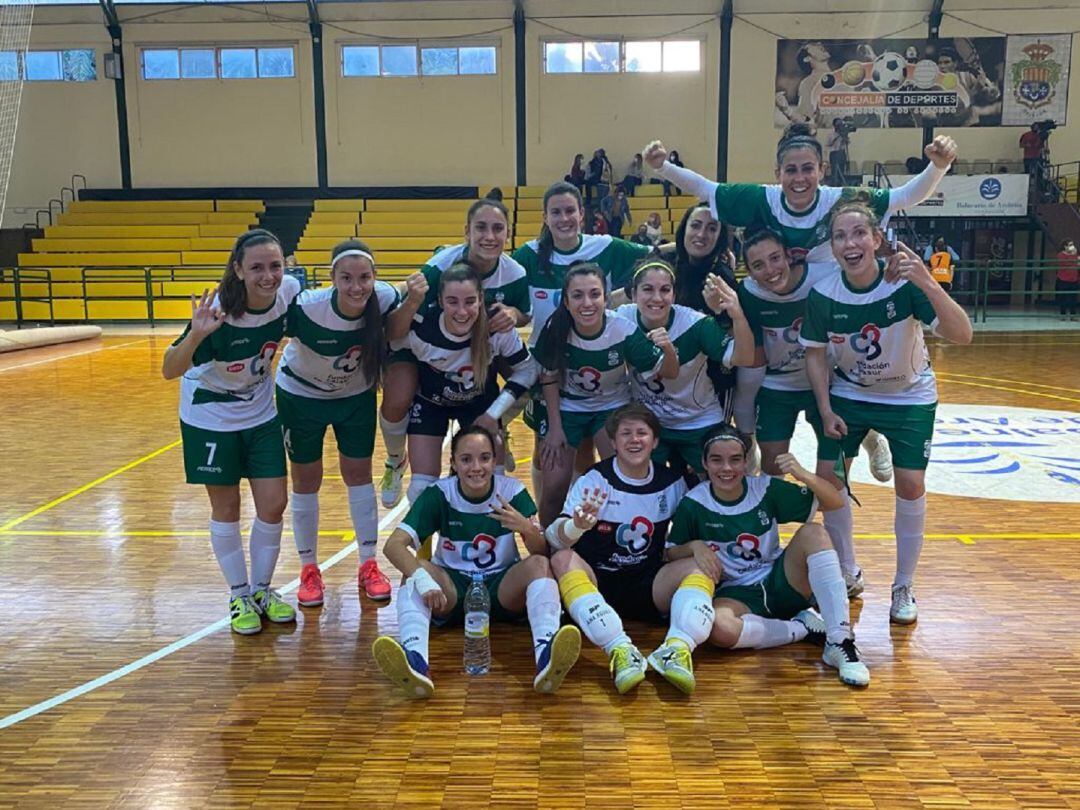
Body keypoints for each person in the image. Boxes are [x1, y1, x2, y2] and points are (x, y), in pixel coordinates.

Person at [646, 125, 959, 478]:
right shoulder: (760, 202)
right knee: (754, 368)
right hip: (775, 318)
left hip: (818, 290)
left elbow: (903, 196)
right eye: (791, 170)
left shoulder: (838, 201)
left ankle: (870, 436)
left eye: (807, 168)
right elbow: (706, 189)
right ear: (777, 173)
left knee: (847, 368)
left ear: (821, 170)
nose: (799, 178)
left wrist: (938, 167)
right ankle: (748, 444)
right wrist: (662, 167)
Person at [801, 203, 973, 625]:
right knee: (829, 478)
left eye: (859, 233)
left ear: (877, 240)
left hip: (909, 395)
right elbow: (816, 355)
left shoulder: (904, 283)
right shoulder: (824, 294)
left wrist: (929, 283)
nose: (849, 243)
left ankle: (903, 584)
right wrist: (824, 408)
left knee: (911, 484)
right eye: (840, 236)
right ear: (833, 247)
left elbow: (963, 335)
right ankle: (848, 569)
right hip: (850, 393)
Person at [371, 425, 581, 698]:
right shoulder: (440, 494)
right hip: (452, 590)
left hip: (500, 588)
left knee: (540, 566)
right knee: (415, 570)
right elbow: (393, 546)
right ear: (454, 463)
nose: (476, 467)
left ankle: (547, 656)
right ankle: (416, 662)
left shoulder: (512, 491)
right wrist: (424, 581)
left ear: (495, 461)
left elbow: (541, 553)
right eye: (466, 459)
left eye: (484, 458)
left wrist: (526, 529)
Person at [161, 229, 299, 635]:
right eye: (256, 267)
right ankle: (239, 594)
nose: (268, 276)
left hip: (260, 413)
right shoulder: (220, 314)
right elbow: (170, 369)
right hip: (210, 418)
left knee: (273, 504)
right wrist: (198, 334)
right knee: (227, 509)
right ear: (238, 270)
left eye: (275, 265)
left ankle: (262, 590)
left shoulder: (288, 292)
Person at [663, 427, 870, 687]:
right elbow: (670, 553)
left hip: (780, 579)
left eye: (735, 459)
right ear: (704, 463)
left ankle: (840, 641)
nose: (726, 468)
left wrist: (802, 473)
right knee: (719, 629)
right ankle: (802, 628)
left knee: (814, 532)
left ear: (747, 461)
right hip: (735, 592)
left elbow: (834, 503)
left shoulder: (764, 488)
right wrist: (693, 546)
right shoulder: (694, 503)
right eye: (717, 459)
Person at [275, 239, 415, 605]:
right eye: (347, 278)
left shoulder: (384, 299)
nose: (357, 287)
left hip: (354, 396)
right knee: (307, 478)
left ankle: (368, 563)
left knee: (358, 474)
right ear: (332, 278)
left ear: (375, 277)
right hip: (301, 395)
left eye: (364, 277)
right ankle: (308, 568)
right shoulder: (307, 308)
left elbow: (400, 328)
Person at [545, 404, 718, 694]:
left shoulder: (674, 483)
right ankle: (620, 650)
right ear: (612, 442)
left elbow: (690, 536)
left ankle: (676, 648)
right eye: (625, 433)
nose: (634, 440)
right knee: (562, 558)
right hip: (598, 582)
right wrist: (576, 526)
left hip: (649, 584)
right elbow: (554, 538)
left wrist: (695, 546)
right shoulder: (595, 480)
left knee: (702, 564)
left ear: (655, 441)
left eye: (642, 433)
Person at [378, 197, 531, 508]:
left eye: (498, 228)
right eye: (481, 228)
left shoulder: (514, 273)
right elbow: (394, 332)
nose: (489, 236)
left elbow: (525, 318)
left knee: (531, 380)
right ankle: (395, 460)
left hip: (479, 355)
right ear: (466, 232)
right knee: (397, 394)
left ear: (508, 233)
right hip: (430, 355)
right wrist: (410, 303)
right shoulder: (437, 270)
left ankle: (497, 424)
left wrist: (513, 315)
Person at [512, 181, 653, 501]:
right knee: (545, 450)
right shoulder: (529, 255)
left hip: (598, 361)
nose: (564, 218)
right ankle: (546, 517)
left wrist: (620, 299)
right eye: (556, 212)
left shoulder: (605, 247)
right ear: (545, 217)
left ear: (582, 214)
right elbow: (502, 284)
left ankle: (583, 518)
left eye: (570, 211)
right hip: (548, 364)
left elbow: (654, 259)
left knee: (586, 451)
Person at [532, 263, 678, 524]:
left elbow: (667, 372)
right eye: (577, 295)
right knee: (554, 489)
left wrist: (668, 350)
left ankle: (618, 542)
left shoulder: (622, 329)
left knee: (622, 478)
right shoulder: (556, 328)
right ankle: (550, 549)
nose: (587, 303)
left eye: (594, 294)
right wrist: (555, 428)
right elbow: (549, 377)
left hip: (611, 407)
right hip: (567, 407)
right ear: (565, 301)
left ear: (606, 298)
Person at [401, 264, 538, 507]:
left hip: (479, 404)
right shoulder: (422, 328)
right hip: (432, 402)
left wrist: (494, 415)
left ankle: (492, 543)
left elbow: (528, 370)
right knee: (421, 488)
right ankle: (425, 544)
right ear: (440, 301)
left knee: (492, 483)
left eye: (470, 301)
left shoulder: (496, 326)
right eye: (453, 302)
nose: (462, 311)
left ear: (481, 299)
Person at [616, 259, 754, 478]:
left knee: (721, 482)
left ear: (674, 294)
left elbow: (745, 357)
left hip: (698, 419)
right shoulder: (623, 317)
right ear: (634, 294)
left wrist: (736, 313)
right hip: (650, 423)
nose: (657, 298)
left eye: (665, 290)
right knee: (638, 482)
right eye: (647, 289)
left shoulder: (695, 324)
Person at [1056, 239, 1079, 321]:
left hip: (1074, 280)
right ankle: (1063, 315)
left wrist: (1075, 256)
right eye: (1070, 245)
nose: (1072, 246)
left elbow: (1078, 263)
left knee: (1073, 298)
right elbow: (1065, 264)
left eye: (1072, 244)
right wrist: (1073, 257)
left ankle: (1073, 315)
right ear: (1065, 246)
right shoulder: (1060, 255)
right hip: (1063, 280)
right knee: (1063, 298)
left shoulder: (1076, 254)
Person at [826, 118, 850, 186]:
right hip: (834, 153)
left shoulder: (843, 132)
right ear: (834, 125)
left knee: (841, 171)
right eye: (838, 124)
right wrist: (836, 138)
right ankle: (834, 185)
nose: (839, 125)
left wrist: (844, 136)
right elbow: (828, 144)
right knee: (834, 172)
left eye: (840, 123)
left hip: (842, 153)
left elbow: (847, 143)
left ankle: (840, 185)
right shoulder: (830, 133)